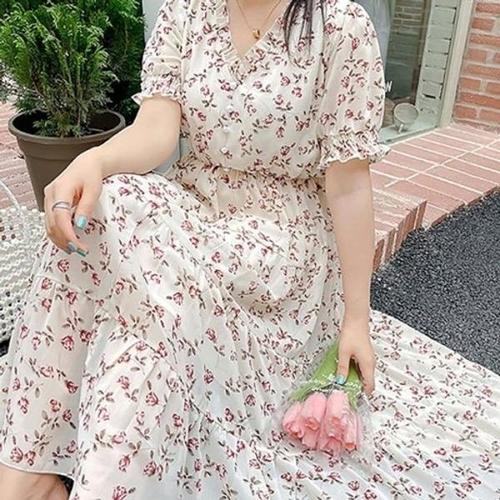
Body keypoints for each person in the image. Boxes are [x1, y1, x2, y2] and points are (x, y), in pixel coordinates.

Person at [0, 0, 498, 498]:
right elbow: (156, 130)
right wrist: (93, 161)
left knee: (151, 286)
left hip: (283, 235)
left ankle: (92, 477)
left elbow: (348, 186)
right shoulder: (186, 12)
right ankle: (32, 465)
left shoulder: (340, 26)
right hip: (196, 203)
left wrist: (355, 321)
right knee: (106, 206)